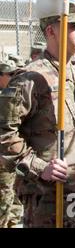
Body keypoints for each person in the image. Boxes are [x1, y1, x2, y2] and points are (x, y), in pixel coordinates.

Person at [0, 3, 75, 228]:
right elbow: (3, 133)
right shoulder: (32, 78)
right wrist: (39, 167)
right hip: (49, 196)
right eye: (73, 25)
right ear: (51, 31)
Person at [0, 61, 24, 228]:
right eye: (10, 74)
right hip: (2, 158)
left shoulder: (12, 95)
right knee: (4, 197)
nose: (14, 78)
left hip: (13, 155)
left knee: (14, 197)